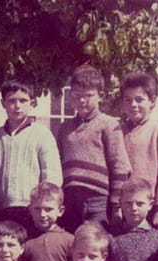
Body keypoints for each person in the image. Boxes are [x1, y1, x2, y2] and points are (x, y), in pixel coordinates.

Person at [57, 64, 131, 232]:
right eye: (76, 95)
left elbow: (119, 165)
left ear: (100, 96)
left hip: (98, 200)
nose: (82, 100)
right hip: (70, 199)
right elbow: (58, 162)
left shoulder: (109, 124)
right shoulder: (64, 128)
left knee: (97, 241)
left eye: (88, 96)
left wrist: (116, 205)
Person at [0, 79, 61, 235]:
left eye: (23, 101)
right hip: (2, 210)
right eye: (11, 101)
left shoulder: (41, 134)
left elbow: (52, 175)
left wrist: (43, 207)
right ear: (3, 104)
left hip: (32, 211)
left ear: (32, 103)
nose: (17, 106)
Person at [119, 72, 158, 229]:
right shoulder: (117, 131)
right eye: (128, 100)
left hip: (148, 209)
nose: (133, 105)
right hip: (123, 207)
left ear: (152, 101)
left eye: (139, 99)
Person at [21, 181, 74, 261]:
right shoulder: (24, 239)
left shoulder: (69, 240)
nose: (42, 214)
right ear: (30, 209)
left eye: (48, 209)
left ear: (60, 211)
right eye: (37, 209)